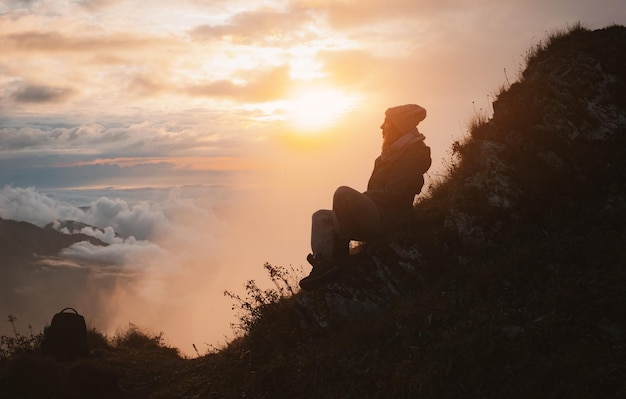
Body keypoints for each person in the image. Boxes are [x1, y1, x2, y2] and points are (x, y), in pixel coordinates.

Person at [299, 104, 432, 291]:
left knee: (342, 194)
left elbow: (394, 195)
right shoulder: (385, 157)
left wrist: (360, 200)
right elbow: (376, 193)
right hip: (376, 213)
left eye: (386, 122)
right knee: (320, 217)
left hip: (390, 219)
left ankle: (338, 259)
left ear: (398, 126)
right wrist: (362, 202)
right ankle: (324, 264)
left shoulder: (410, 157)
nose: (381, 127)